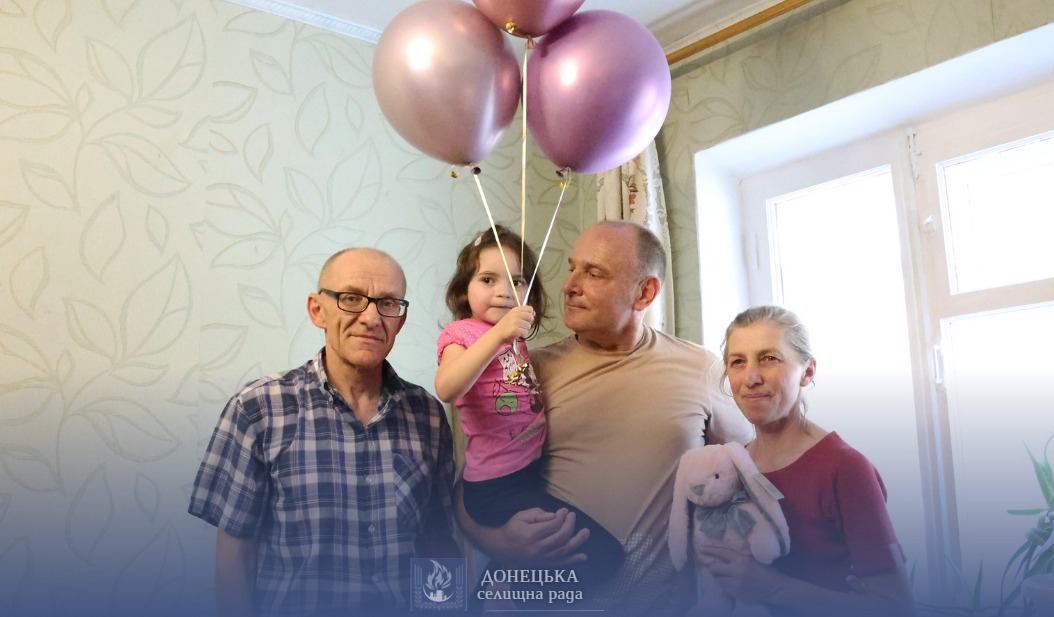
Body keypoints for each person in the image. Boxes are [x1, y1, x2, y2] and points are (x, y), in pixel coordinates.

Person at [456, 220, 754, 616]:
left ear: (645, 292)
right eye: (572, 268)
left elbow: (750, 478)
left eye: (593, 273)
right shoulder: (526, 370)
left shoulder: (701, 368)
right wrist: (500, 542)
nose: (568, 285)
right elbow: (473, 487)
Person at [188, 248, 458, 617]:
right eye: (352, 298)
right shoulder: (258, 408)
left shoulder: (427, 414)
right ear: (318, 310)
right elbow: (235, 560)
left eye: (387, 303)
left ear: (401, 320)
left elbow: (438, 545)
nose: (371, 317)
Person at [436, 226, 625, 586]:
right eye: (488, 279)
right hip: (495, 486)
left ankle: (502, 587)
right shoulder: (461, 335)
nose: (504, 291)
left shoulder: (516, 341)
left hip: (527, 476)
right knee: (603, 556)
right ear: (463, 291)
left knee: (551, 554)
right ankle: (500, 595)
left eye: (517, 281)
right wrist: (498, 334)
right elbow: (447, 387)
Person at [700, 305, 914, 617]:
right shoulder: (732, 468)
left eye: (769, 358)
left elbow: (896, 607)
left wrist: (774, 588)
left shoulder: (845, 468)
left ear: (808, 372)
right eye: (737, 362)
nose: (751, 378)